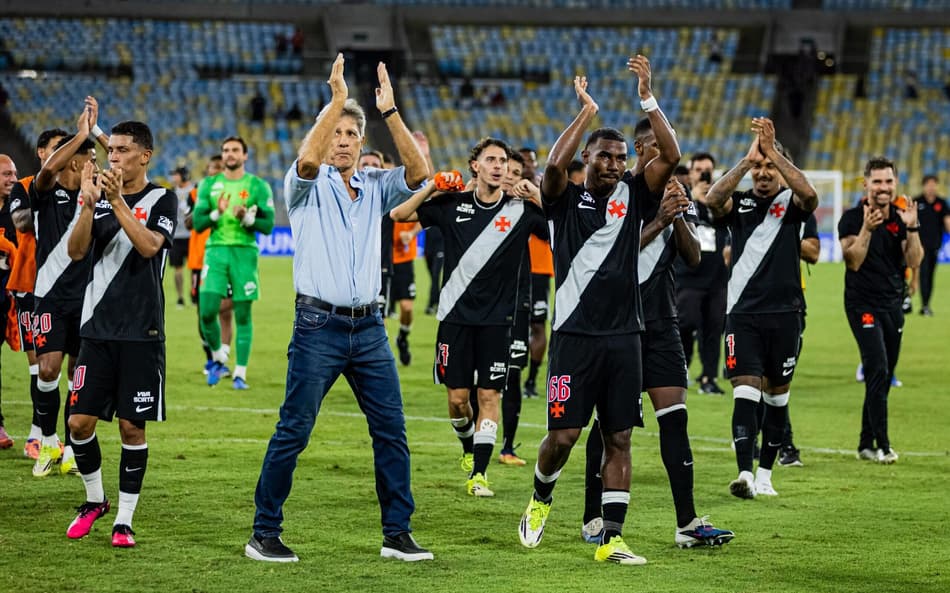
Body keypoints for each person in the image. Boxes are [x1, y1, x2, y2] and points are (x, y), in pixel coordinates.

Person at [247, 54, 432, 563]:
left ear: (360, 141)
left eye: (351, 133)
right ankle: (264, 532)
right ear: (322, 136)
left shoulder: (375, 186)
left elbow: (421, 174)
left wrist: (390, 113)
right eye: (335, 132)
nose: (343, 140)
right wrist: (334, 102)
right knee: (295, 429)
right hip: (318, 325)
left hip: (369, 327)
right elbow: (307, 161)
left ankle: (397, 533)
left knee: (391, 431)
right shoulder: (303, 183)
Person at [519, 56, 681, 566]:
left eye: (618, 158)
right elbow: (549, 167)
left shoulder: (633, 195)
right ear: (586, 160)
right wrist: (585, 113)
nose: (613, 164)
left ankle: (612, 537)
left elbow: (671, 155)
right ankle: (542, 497)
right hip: (572, 337)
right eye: (603, 157)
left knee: (619, 438)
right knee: (563, 437)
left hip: (624, 337)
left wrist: (647, 96)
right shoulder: (564, 200)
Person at [582, 118, 733, 550]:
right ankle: (594, 516)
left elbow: (694, 260)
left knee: (675, 421)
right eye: (651, 147)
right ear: (639, 149)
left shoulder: (670, 195)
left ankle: (686, 522)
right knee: (610, 429)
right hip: (619, 327)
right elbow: (614, 258)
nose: (661, 156)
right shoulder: (616, 197)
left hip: (662, 326)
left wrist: (677, 216)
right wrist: (658, 217)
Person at [392, 138, 547, 497]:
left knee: (489, 395)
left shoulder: (521, 211)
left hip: (498, 322)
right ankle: (467, 446)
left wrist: (537, 194)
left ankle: (479, 473)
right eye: (491, 160)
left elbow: (563, 231)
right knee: (458, 401)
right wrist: (432, 185)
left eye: (503, 161)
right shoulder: (453, 203)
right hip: (455, 318)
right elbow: (399, 216)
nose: (499, 166)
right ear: (475, 166)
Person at [65, 120, 178, 548]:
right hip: (96, 329)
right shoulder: (96, 198)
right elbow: (77, 252)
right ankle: (95, 500)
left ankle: (124, 521)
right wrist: (87, 205)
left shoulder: (163, 198)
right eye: (109, 150)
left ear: (144, 155)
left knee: (132, 428)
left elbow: (150, 246)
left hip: (142, 332)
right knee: (78, 422)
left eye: (122, 150)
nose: (112, 157)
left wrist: (115, 203)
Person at [705, 117, 818, 499]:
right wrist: (746, 161)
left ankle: (767, 474)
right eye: (760, 167)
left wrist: (774, 154)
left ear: (783, 170)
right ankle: (744, 473)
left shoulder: (792, 204)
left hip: (786, 316)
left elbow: (811, 196)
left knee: (777, 397)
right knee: (745, 392)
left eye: (771, 166)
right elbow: (712, 200)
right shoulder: (741, 203)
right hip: (743, 314)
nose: (764, 173)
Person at [26, 107, 102, 478]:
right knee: (47, 367)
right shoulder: (43, 192)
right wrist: (80, 134)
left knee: (78, 374)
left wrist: (95, 135)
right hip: (50, 296)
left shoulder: (97, 197)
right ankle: (49, 442)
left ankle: (71, 449)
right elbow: (46, 170)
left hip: (88, 297)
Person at [839, 156, 922, 464]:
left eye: (888, 181)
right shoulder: (851, 218)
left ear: (895, 183)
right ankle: (884, 445)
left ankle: (864, 443)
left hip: (892, 305)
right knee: (878, 369)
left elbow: (914, 261)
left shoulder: (903, 219)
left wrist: (912, 228)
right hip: (862, 305)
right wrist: (866, 229)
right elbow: (853, 261)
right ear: (866, 184)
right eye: (877, 181)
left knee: (881, 377)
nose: (883, 187)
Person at [193, 136, 275, 389]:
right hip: (216, 251)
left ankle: (240, 373)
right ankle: (219, 357)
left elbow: (268, 225)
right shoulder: (209, 185)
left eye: (235, 150)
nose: (230, 154)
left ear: (245, 156)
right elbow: (198, 223)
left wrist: (248, 220)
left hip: (244, 252)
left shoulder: (258, 186)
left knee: (242, 313)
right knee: (207, 311)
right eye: (226, 150)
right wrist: (217, 212)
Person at [10, 128, 68, 460]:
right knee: (40, 367)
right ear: (41, 152)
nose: (63, 154)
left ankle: (67, 442)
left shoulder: (76, 187)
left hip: (70, 289)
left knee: (73, 368)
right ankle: (39, 436)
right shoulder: (27, 186)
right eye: (57, 148)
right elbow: (22, 224)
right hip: (31, 285)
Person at [675, 151, 728, 395]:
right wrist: (694, 200)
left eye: (708, 170)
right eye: (699, 170)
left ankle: (709, 377)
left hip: (716, 276)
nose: (703, 174)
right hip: (688, 275)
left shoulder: (720, 200)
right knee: (686, 322)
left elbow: (725, 220)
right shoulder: (682, 195)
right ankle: (681, 365)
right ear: (691, 172)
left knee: (713, 327)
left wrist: (710, 201)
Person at [775, 211, 820, 468]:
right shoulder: (746, 205)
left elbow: (813, 252)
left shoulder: (801, 210)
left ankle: (756, 433)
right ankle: (784, 444)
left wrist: (778, 234)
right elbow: (728, 253)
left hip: (791, 304)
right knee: (756, 379)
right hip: (750, 304)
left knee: (780, 379)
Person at [185, 155, 234, 376]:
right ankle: (211, 358)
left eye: (219, 168)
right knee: (203, 312)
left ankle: (221, 359)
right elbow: (188, 222)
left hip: (226, 258)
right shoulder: (197, 192)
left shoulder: (237, 191)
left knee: (226, 311)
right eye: (212, 169)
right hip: (200, 259)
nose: (214, 172)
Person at [912, 175, 950, 316]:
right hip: (919, 246)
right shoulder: (917, 201)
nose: (931, 187)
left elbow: (947, 222)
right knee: (923, 274)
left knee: (930, 275)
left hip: (935, 245)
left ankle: (926, 304)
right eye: (929, 184)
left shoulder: (942, 203)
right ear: (924, 186)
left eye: (934, 184)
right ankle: (925, 305)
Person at [0, 153, 17, 449]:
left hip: (11, 297)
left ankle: (41, 433)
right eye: (6, 174)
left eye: (14, 174)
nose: (13, 179)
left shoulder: (17, 210)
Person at [391, 219, 420, 365]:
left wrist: (411, 233)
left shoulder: (409, 198)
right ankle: (382, 357)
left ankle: (402, 337)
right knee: (380, 314)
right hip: (381, 261)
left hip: (404, 260)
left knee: (407, 307)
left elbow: (423, 217)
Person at [169, 166, 193, 308]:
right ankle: (180, 297)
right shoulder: (172, 192)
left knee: (195, 268)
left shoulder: (194, 191)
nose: (174, 178)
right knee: (177, 268)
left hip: (192, 235)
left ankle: (194, 293)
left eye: (176, 175)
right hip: (176, 235)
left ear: (184, 176)